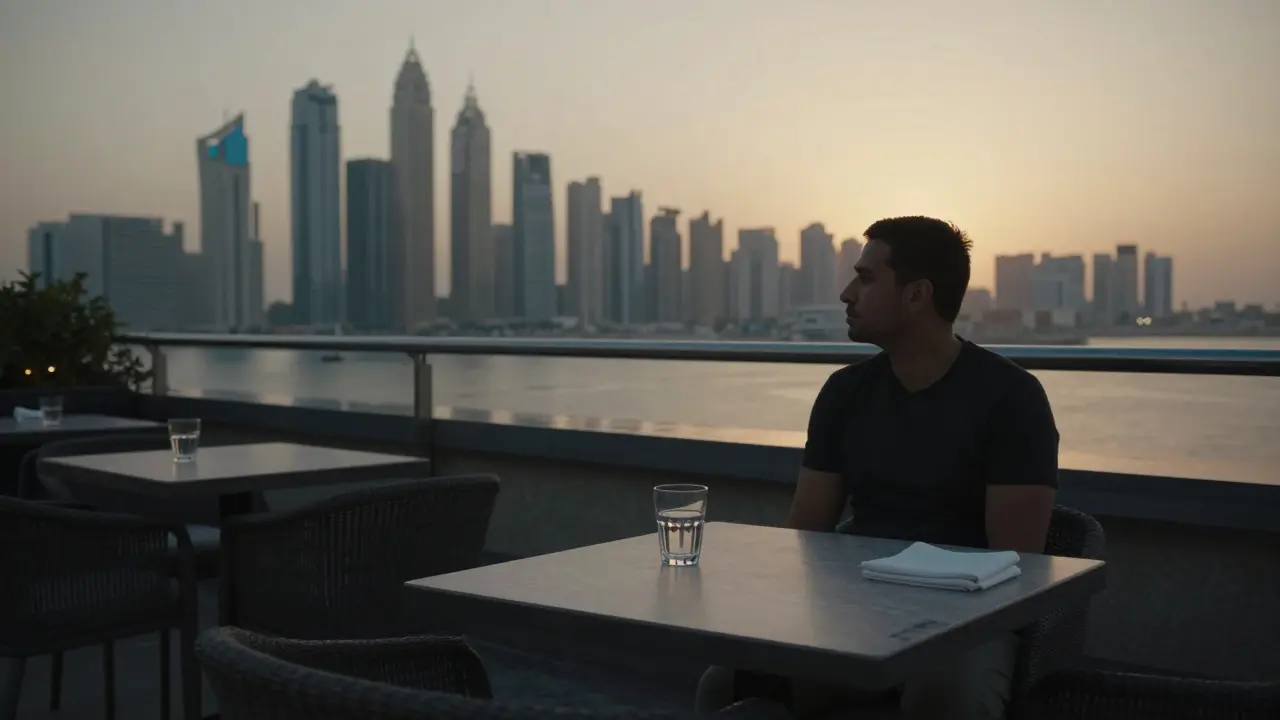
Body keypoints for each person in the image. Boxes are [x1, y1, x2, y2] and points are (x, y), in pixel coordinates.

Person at [694, 217, 1059, 720]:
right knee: (725, 683)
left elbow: (1014, 564)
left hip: (966, 622)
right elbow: (807, 536)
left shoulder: (1012, 398)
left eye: (866, 279)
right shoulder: (845, 393)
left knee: (945, 695)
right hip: (855, 610)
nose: (847, 294)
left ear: (917, 295)